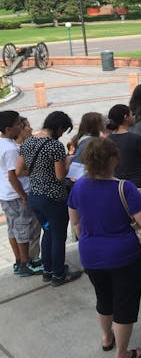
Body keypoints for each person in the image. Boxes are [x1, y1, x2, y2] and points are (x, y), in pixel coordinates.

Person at [68, 138, 141, 358]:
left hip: (90, 255)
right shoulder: (124, 188)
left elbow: (76, 222)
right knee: (125, 305)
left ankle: (107, 338)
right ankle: (122, 353)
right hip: (124, 256)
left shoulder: (79, 185)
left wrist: (91, 241)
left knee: (104, 299)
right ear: (112, 160)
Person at [18, 110, 82, 286]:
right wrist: (68, 162)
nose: (62, 135)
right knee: (58, 236)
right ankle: (59, 275)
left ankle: (47, 271)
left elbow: (18, 171)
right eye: (63, 131)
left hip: (35, 197)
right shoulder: (55, 146)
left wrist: (38, 175)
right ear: (59, 127)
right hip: (53, 198)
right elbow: (61, 176)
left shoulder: (28, 141)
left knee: (48, 232)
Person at [0, 111, 43, 277]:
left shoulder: (3, 143)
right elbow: (13, 175)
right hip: (16, 194)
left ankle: (19, 261)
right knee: (23, 228)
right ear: (8, 128)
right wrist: (23, 195)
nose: (21, 126)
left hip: (5, 194)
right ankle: (26, 263)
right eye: (18, 124)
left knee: (12, 228)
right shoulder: (11, 149)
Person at [107, 105, 141, 202]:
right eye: (131, 114)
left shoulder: (108, 140)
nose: (133, 117)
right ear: (125, 117)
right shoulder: (135, 138)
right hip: (139, 182)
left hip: (118, 185)